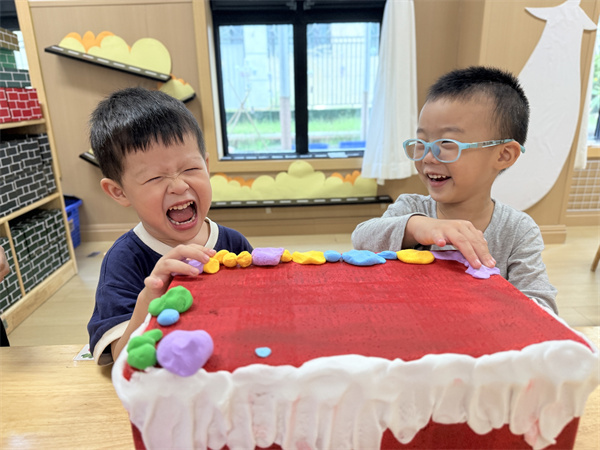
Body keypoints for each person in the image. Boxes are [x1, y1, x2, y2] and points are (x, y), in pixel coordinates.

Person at [352, 66, 557, 314]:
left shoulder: (517, 231)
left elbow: (543, 306)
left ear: (503, 155)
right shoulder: (412, 208)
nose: (428, 156)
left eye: (447, 143)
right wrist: (419, 227)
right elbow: (361, 239)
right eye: (422, 142)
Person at [87, 87, 253, 365]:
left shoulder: (235, 244)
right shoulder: (124, 261)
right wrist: (150, 296)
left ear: (206, 165)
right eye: (155, 178)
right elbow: (122, 358)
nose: (178, 185)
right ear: (119, 192)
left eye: (190, 169)